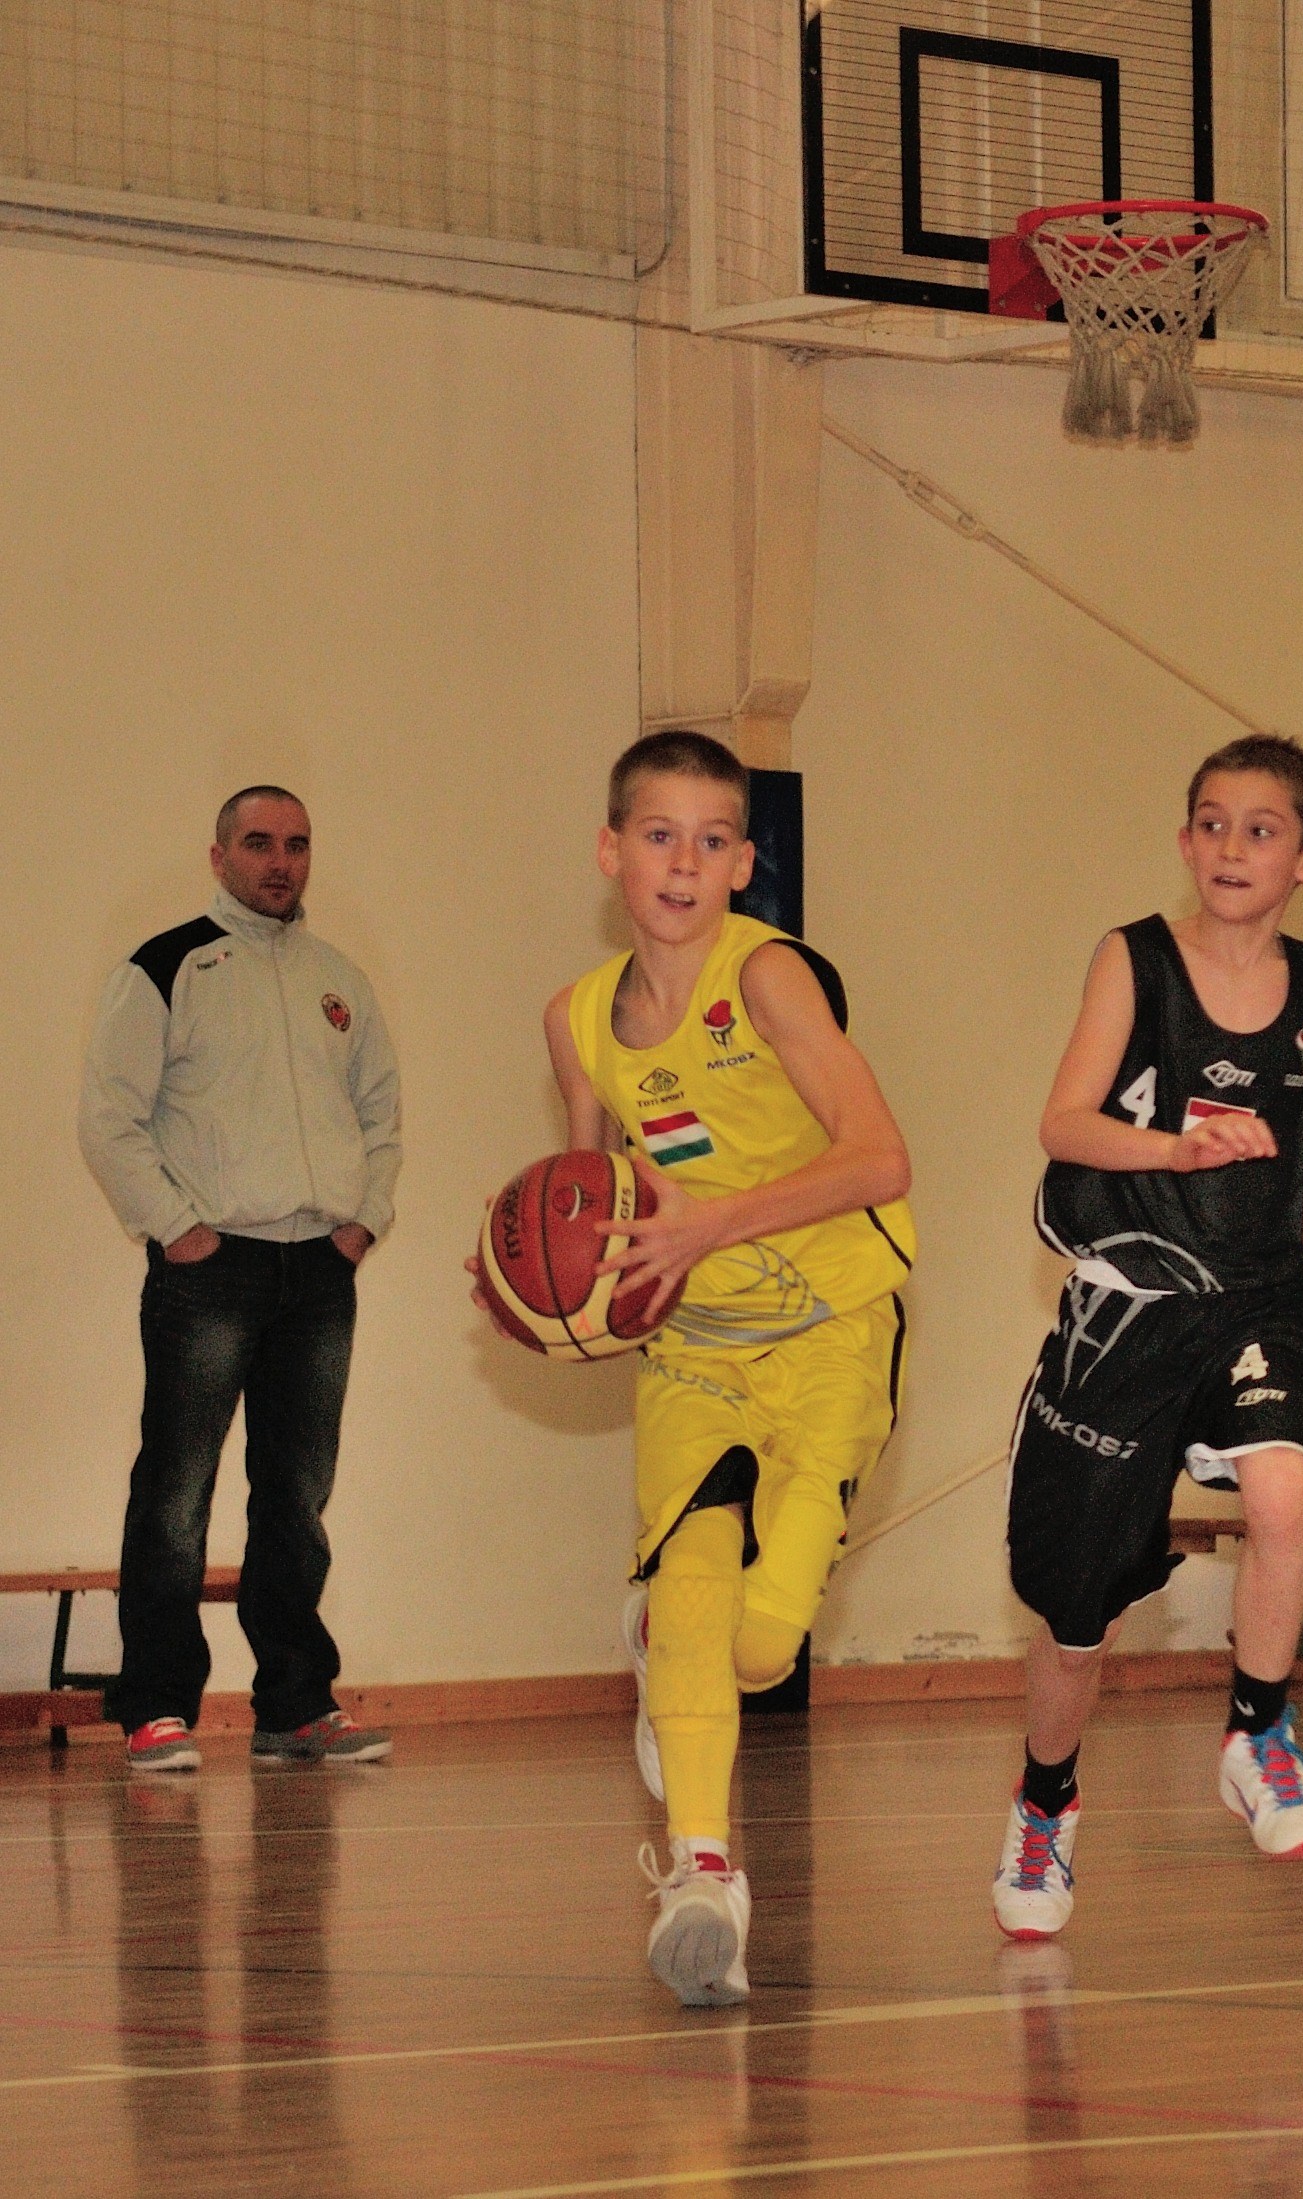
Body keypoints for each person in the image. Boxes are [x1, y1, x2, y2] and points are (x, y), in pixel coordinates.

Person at [994, 735, 1303, 1934]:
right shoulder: (1134, 960)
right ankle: (1045, 1803)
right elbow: (1063, 1122)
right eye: (1213, 824)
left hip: (1259, 1300)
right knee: (1077, 1621)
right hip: (1128, 1312)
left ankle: (1257, 1736)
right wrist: (1176, 1150)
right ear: (1185, 842)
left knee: (1284, 1495)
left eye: (1261, 829)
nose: (1232, 847)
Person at [485, 730, 917, 2007]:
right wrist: (539, 1288)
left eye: (711, 840)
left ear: (741, 863)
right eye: (659, 836)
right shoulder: (574, 1021)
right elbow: (592, 1196)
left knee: (763, 1645)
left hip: (834, 1318)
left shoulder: (768, 978)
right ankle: (702, 1877)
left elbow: (882, 1159)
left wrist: (709, 1225)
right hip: (696, 1345)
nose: (683, 863)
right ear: (610, 851)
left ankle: (681, 1660)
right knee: (691, 1591)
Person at [79, 787, 401, 1773]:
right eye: (259, 843)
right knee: (177, 1492)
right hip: (209, 1270)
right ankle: (156, 1707)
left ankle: (295, 1706)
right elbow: (109, 1120)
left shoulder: (340, 981)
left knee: (296, 1496)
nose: (280, 861)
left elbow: (381, 1117)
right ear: (219, 857)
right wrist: (179, 1231)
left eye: (296, 845)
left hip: (320, 1273)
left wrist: (361, 1223)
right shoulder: (167, 967)